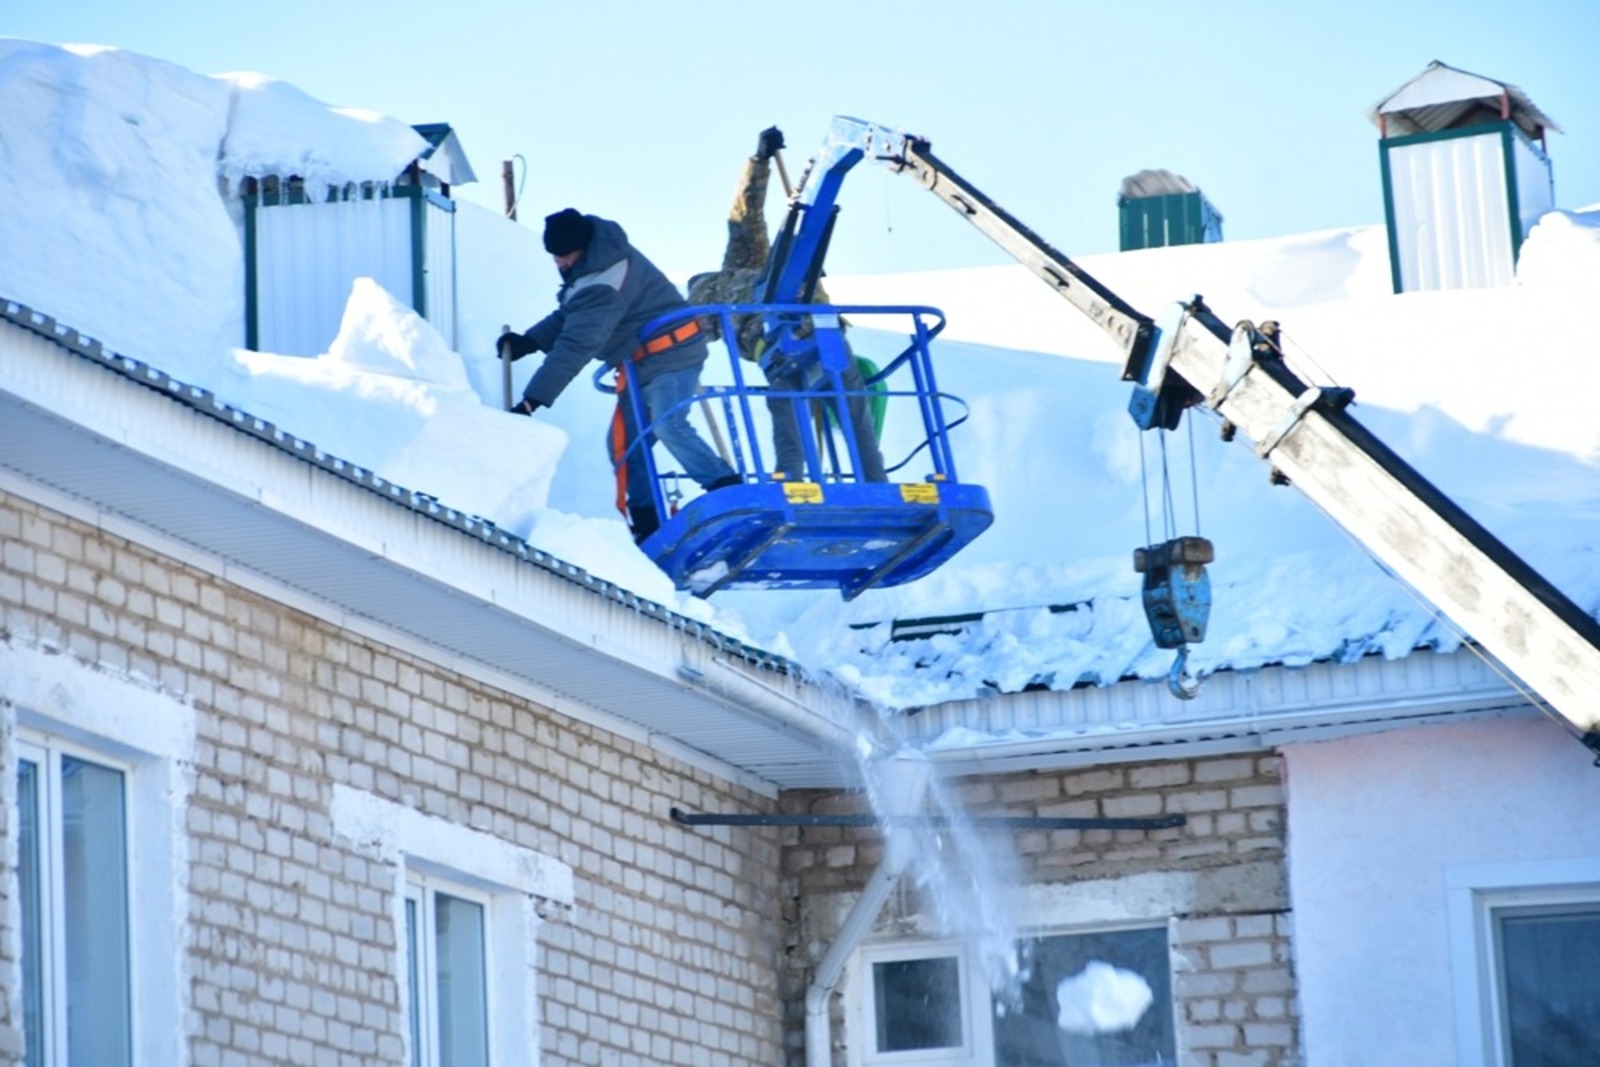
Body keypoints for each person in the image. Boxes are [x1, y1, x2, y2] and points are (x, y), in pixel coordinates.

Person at [499, 208, 740, 544]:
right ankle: (647, 522)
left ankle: (726, 489)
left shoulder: (606, 278)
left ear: (582, 248)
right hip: (640, 363)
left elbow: (577, 344)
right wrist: (531, 340)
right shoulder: (594, 264)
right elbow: (570, 316)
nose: (561, 264)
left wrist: (531, 401)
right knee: (624, 444)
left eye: (565, 256)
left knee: (668, 423)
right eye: (556, 257)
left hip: (674, 353)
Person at [686, 128, 888, 484]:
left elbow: (745, 215)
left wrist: (759, 162)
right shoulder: (738, 279)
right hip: (814, 335)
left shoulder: (735, 272)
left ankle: (792, 480)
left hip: (787, 342)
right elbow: (744, 217)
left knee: (791, 409)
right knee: (848, 405)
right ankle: (871, 481)